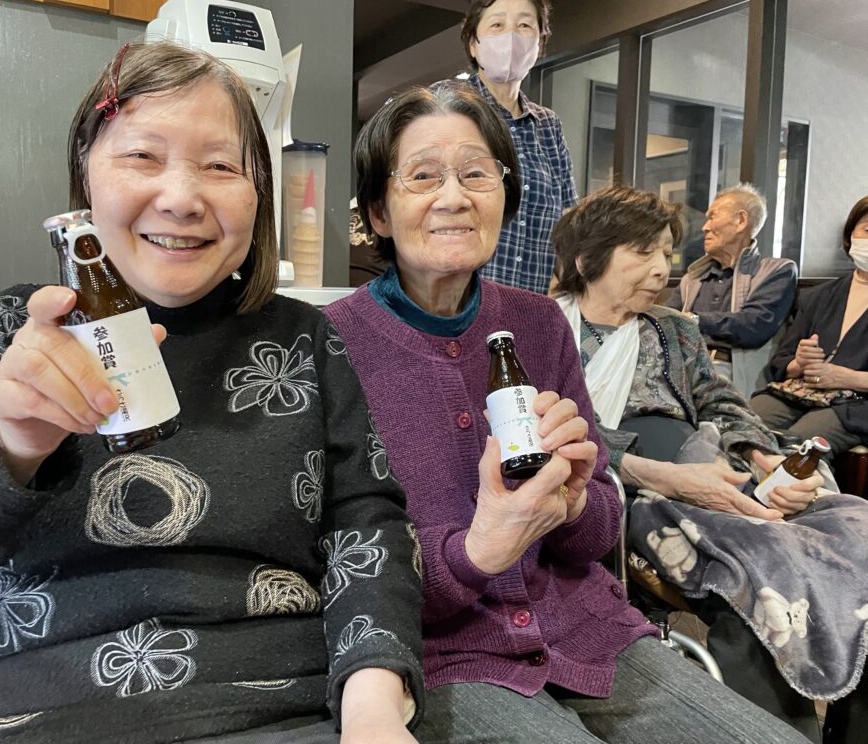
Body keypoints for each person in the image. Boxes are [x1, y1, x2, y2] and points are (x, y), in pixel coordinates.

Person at [0, 40, 424, 744]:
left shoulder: (303, 340)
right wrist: (12, 443)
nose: (181, 199)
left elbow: (370, 531)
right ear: (85, 175)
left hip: (280, 712)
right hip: (32, 721)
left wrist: (372, 706)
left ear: (258, 195)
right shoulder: (9, 332)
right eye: (143, 156)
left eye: (220, 166)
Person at [324, 81, 807, 744]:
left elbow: (597, 527)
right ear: (379, 211)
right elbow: (341, 560)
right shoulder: (330, 342)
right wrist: (474, 552)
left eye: (476, 173)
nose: (454, 196)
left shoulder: (537, 322)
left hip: (586, 629)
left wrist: (577, 501)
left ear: (505, 194)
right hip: (440, 651)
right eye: (424, 176)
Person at [552, 185, 868, 743]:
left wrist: (764, 458)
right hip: (626, 487)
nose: (661, 269)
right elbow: (549, 432)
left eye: (665, 252)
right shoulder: (543, 328)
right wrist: (669, 477)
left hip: (712, 468)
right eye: (642, 252)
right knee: (763, 570)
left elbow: (720, 401)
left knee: (856, 534)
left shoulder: (674, 328)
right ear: (586, 260)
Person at [460, 0, 576, 294]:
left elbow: (569, 222)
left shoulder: (548, 125)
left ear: (539, 44)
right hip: (459, 304)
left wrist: (564, 286)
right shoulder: (448, 103)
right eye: (497, 25)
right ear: (473, 43)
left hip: (532, 304)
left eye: (524, 26)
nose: (511, 37)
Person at [750, 194, 868, 457]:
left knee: (799, 445)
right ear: (850, 235)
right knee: (744, 426)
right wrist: (799, 363)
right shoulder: (818, 296)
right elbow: (781, 361)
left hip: (858, 405)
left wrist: (848, 378)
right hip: (800, 392)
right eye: (867, 230)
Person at [665, 183, 797, 398]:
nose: (704, 227)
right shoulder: (692, 278)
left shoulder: (776, 270)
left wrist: (695, 320)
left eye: (712, 217)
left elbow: (753, 325)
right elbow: (666, 318)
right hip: (682, 366)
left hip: (728, 372)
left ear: (741, 221)